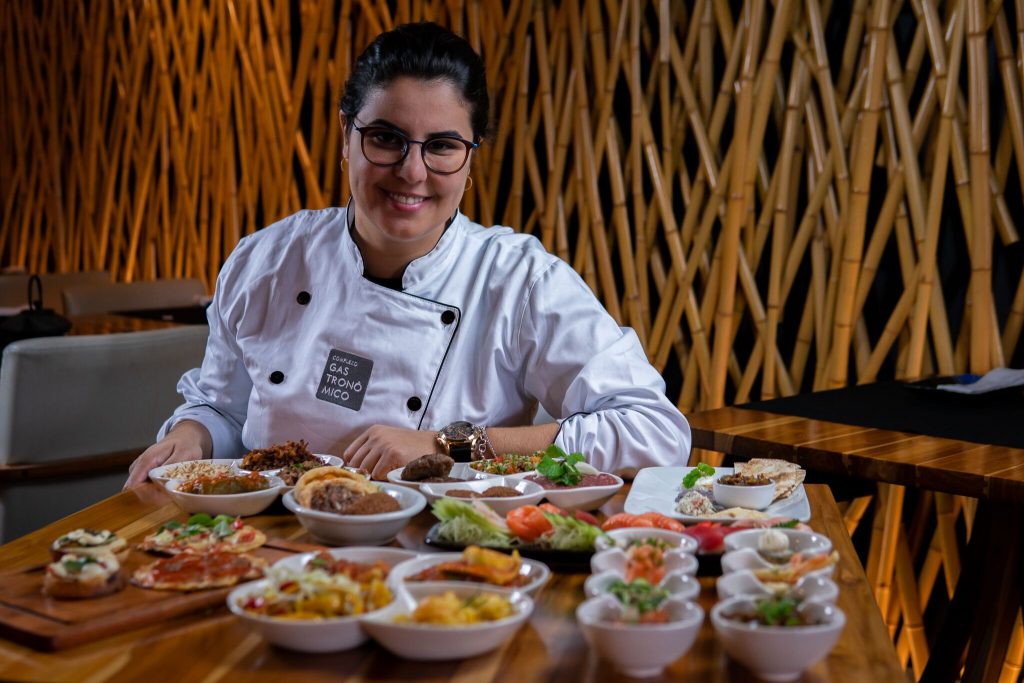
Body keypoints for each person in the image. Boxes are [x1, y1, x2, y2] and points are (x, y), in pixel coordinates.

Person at [125, 22, 690, 486]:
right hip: (260, 549)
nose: (412, 172)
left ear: (471, 158)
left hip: (435, 563)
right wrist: (188, 438)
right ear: (347, 132)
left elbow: (654, 431)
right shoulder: (266, 261)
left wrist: (449, 443)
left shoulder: (519, 281)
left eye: (442, 145)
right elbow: (223, 410)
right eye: (387, 138)